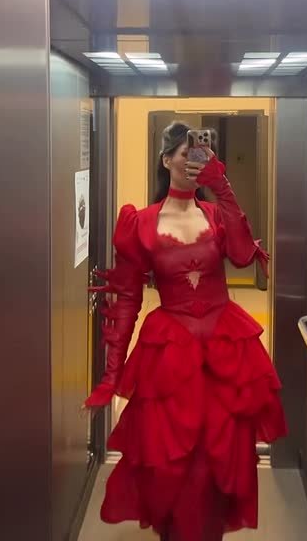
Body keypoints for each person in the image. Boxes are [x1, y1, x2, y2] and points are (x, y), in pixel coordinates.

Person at [83, 121, 287, 541]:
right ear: (166, 160)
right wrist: (109, 377)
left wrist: (222, 186)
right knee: (173, 464)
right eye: (186, 153)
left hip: (225, 354)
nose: (196, 159)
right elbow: (127, 301)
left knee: (221, 457)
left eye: (203, 153)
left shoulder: (216, 214)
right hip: (170, 357)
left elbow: (242, 255)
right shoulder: (139, 222)